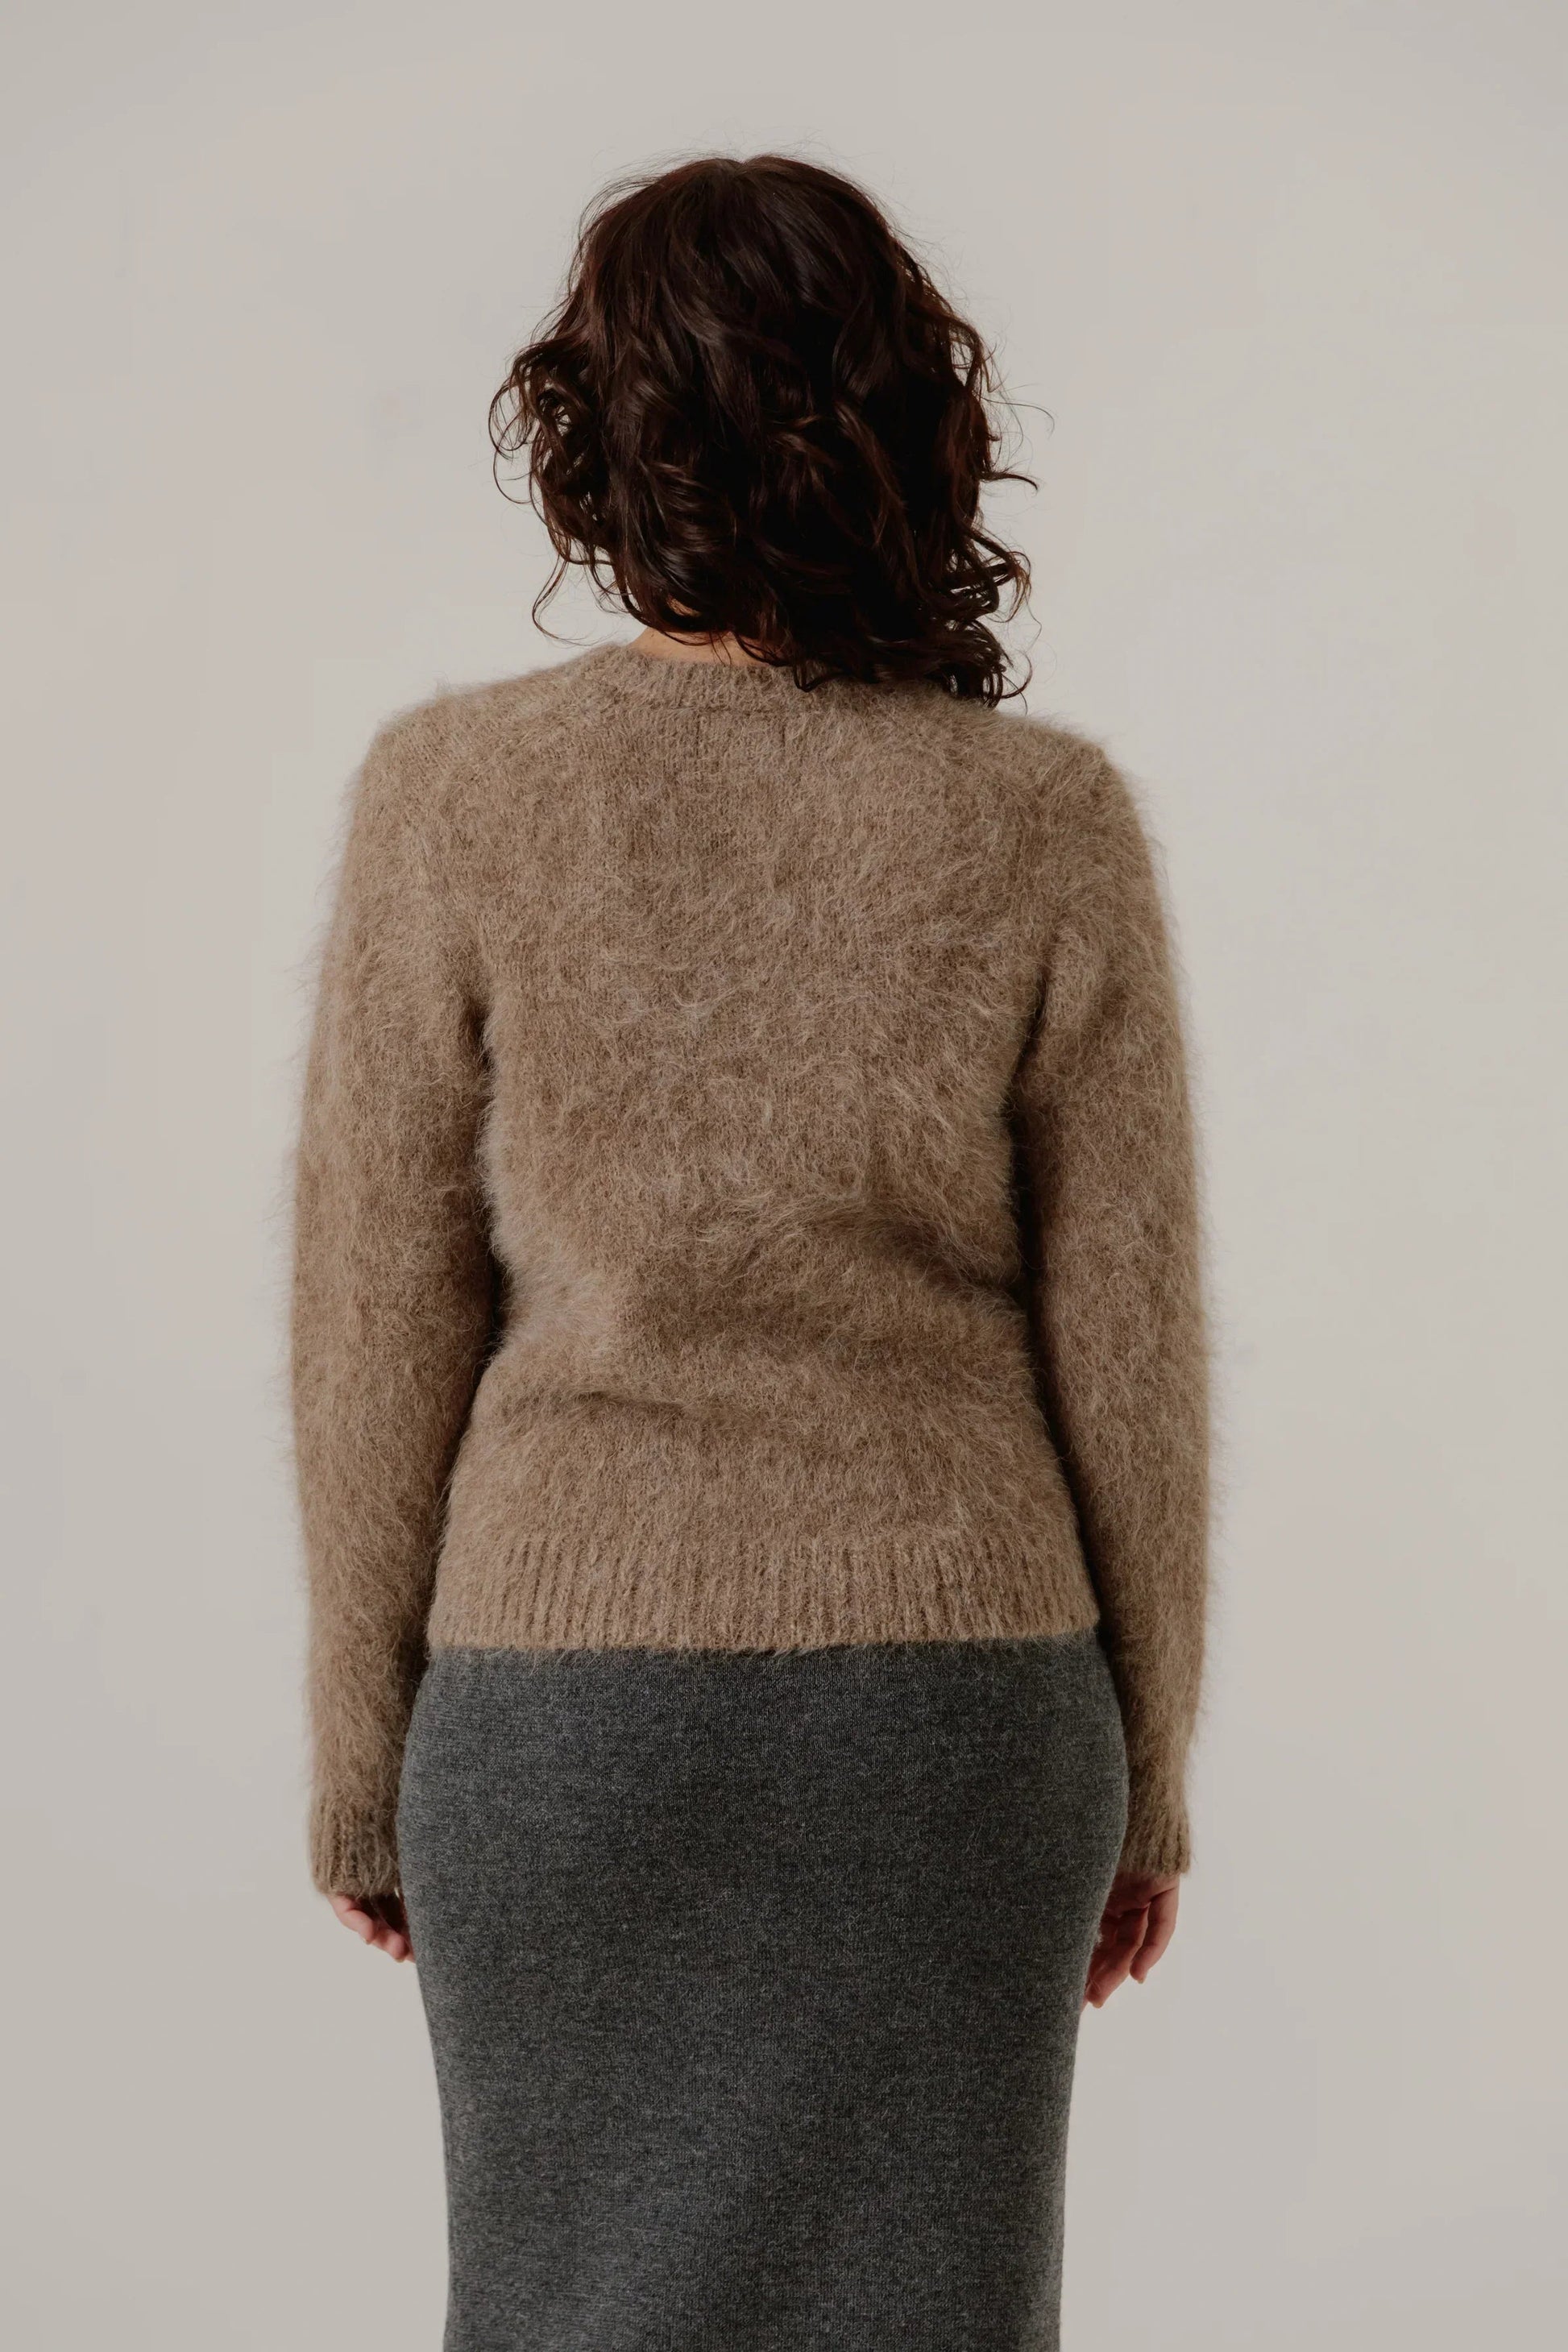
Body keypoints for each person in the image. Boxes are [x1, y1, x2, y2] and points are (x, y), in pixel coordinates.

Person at [292, 151, 1209, 2352]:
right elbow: (1129, 1341)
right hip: (954, 1719)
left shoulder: (453, 794)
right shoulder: (1042, 817)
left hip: (562, 1720)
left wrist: (361, 1767)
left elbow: (377, 1310)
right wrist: (1147, 1778)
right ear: (910, 416)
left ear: (594, 433)